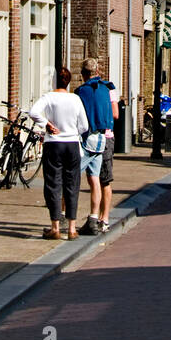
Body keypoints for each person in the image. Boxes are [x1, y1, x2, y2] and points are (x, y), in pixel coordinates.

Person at [29, 66, 89, 241]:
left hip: (54, 144)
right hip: (72, 144)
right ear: (69, 81)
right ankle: (71, 228)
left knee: (53, 184)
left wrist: (46, 124)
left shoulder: (49, 97)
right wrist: (72, 130)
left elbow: (33, 112)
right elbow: (84, 126)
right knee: (72, 184)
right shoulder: (75, 99)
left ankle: (55, 227)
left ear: (54, 81)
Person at [76, 58, 116, 235]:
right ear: (98, 70)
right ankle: (102, 219)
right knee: (102, 180)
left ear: (83, 74)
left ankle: (65, 219)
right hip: (106, 138)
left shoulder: (81, 91)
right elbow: (115, 114)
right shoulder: (109, 88)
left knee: (73, 176)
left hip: (89, 137)